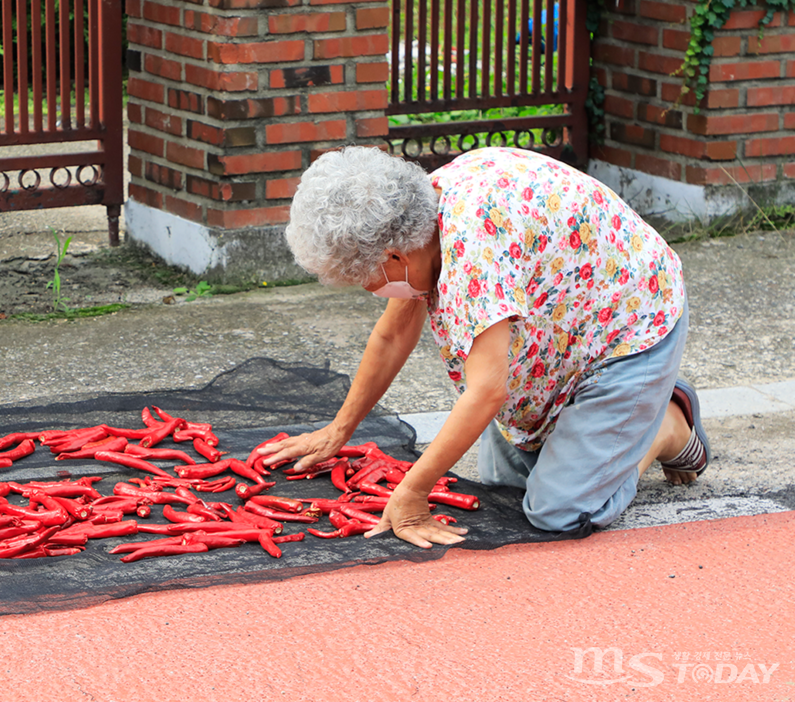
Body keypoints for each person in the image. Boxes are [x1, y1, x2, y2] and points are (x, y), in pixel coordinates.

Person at [259, 146, 710, 549]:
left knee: (559, 510)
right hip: (566, 327)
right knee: (505, 483)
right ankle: (631, 414)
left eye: (363, 279)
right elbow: (393, 334)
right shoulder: (419, 214)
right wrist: (339, 430)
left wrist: (412, 494)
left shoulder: (475, 252)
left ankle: (664, 426)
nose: (366, 289)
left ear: (396, 258)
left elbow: (487, 391)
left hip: (631, 327)